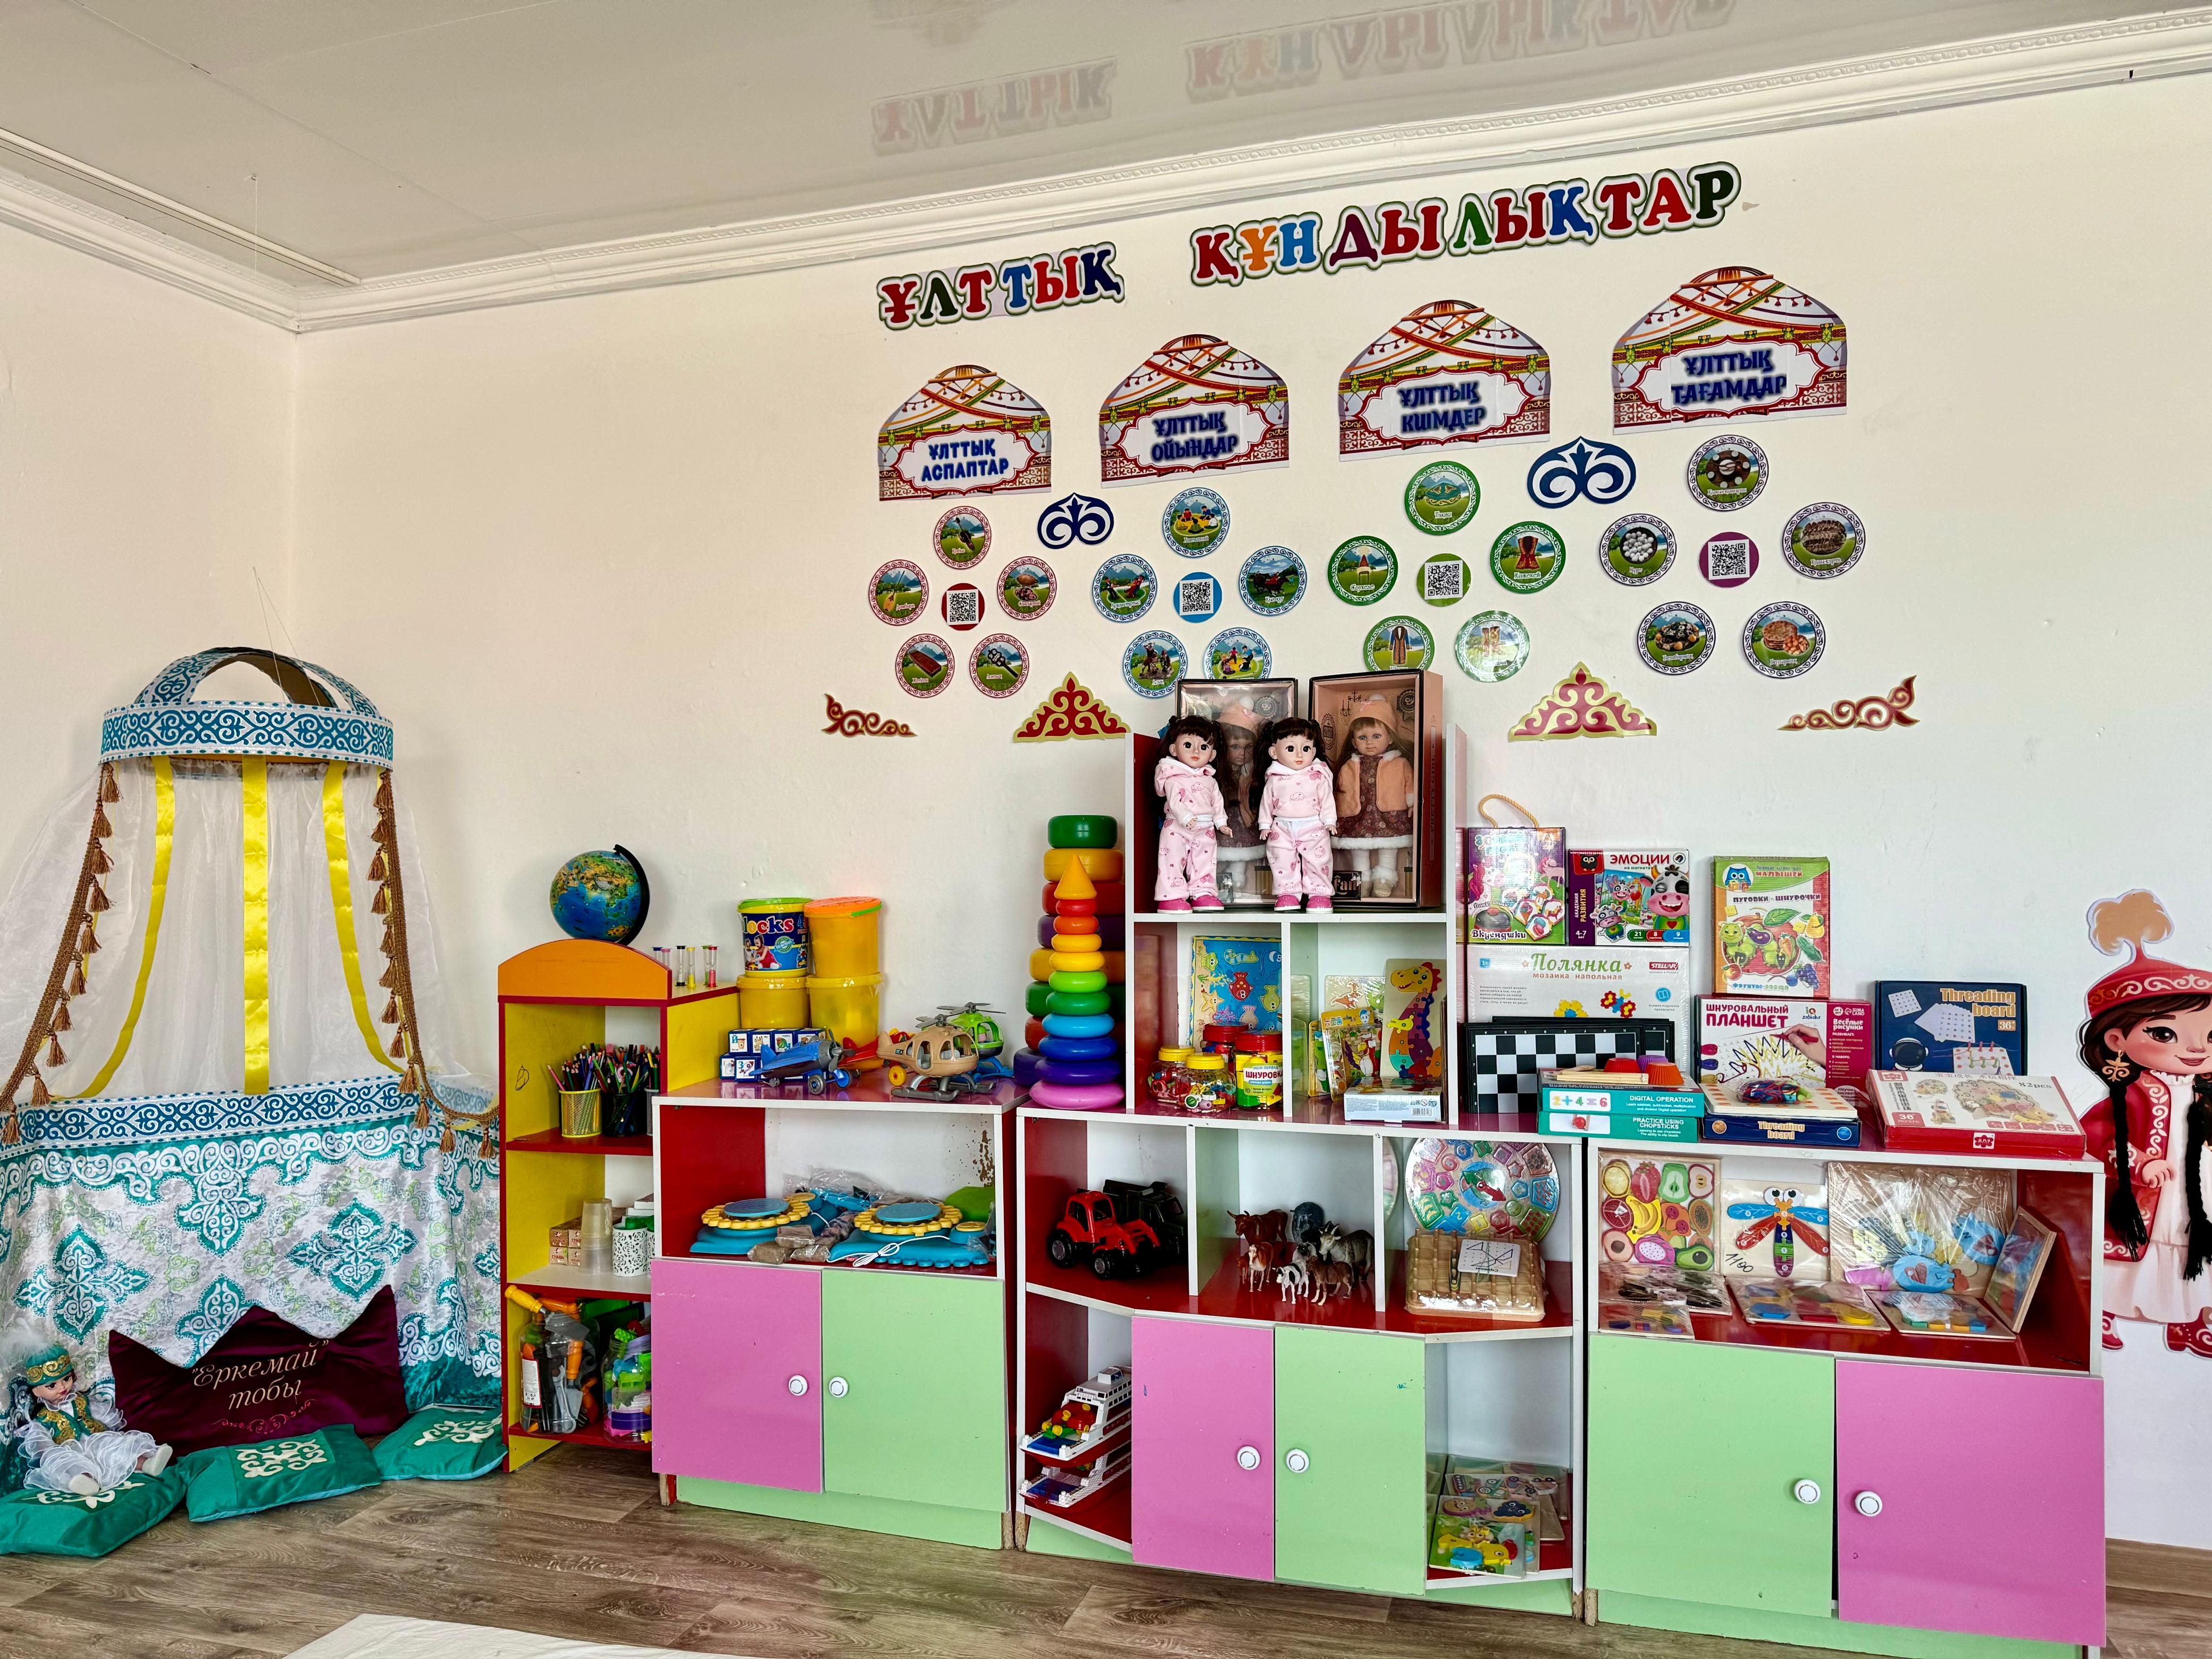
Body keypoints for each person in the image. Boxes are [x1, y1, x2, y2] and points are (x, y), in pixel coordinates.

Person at [2078, 891, 2212, 1356]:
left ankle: (2186, 1319)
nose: (2196, 1049)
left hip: (2194, 1191)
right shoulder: (2134, 1092)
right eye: (2165, 1033)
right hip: (2147, 1193)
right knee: (2134, 1251)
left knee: (2191, 1248)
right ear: (2118, 1040)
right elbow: (2096, 1138)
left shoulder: (2201, 1091)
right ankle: (2103, 1309)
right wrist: (2138, 1164)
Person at [4, 1330, 172, 1495]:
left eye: (66, 1379)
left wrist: (113, 1431)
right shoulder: (43, 1418)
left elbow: (107, 1417)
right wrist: (49, 1452)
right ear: (37, 1392)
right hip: (70, 1450)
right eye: (52, 1386)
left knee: (116, 1449)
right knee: (67, 1463)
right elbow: (41, 1445)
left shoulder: (82, 1401)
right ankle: (82, 1482)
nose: (62, 1387)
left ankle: (148, 1464)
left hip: (97, 1441)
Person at [1331, 698, 1414, 899]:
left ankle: (1384, 878)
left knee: (1389, 846)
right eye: (1362, 738)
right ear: (1353, 742)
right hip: (1357, 814)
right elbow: (1341, 790)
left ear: (1390, 738)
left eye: (1376, 736)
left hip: (1390, 814)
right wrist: (1335, 812)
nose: (1369, 743)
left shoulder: (1400, 763)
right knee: (1358, 847)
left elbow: (1410, 784)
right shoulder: (1349, 765)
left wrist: (1412, 803)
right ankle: (1362, 879)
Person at [1258, 717, 1335, 912]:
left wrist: (1329, 820)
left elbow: (1327, 799)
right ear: (1274, 752)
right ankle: (1288, 894)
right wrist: (1265, 824)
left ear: (1314, 752)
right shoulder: (1274, 778)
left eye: (1306, 749)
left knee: (1318, 860)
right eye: (1291, 749)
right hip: (1282, 827)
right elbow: (1266, 803)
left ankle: (1319, 894)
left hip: (1314, 826)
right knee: (1281, 860)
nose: (1300, 755)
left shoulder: (1318, 776)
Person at [1152, 715, 1227, 913]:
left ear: (1212, 755)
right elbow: (1175, 801)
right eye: (1188, 745)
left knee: (1205, 861)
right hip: (1177, 827)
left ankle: (1203, 893)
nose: (1196, 752)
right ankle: (1171, 897)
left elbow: (1217, 802)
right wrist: (1186, 818)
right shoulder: (1173, 777)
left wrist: (1221, 822)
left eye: (1204, 747)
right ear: (1174, 750)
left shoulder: (1210, 779)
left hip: (1206, 827)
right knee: (1172, 860)